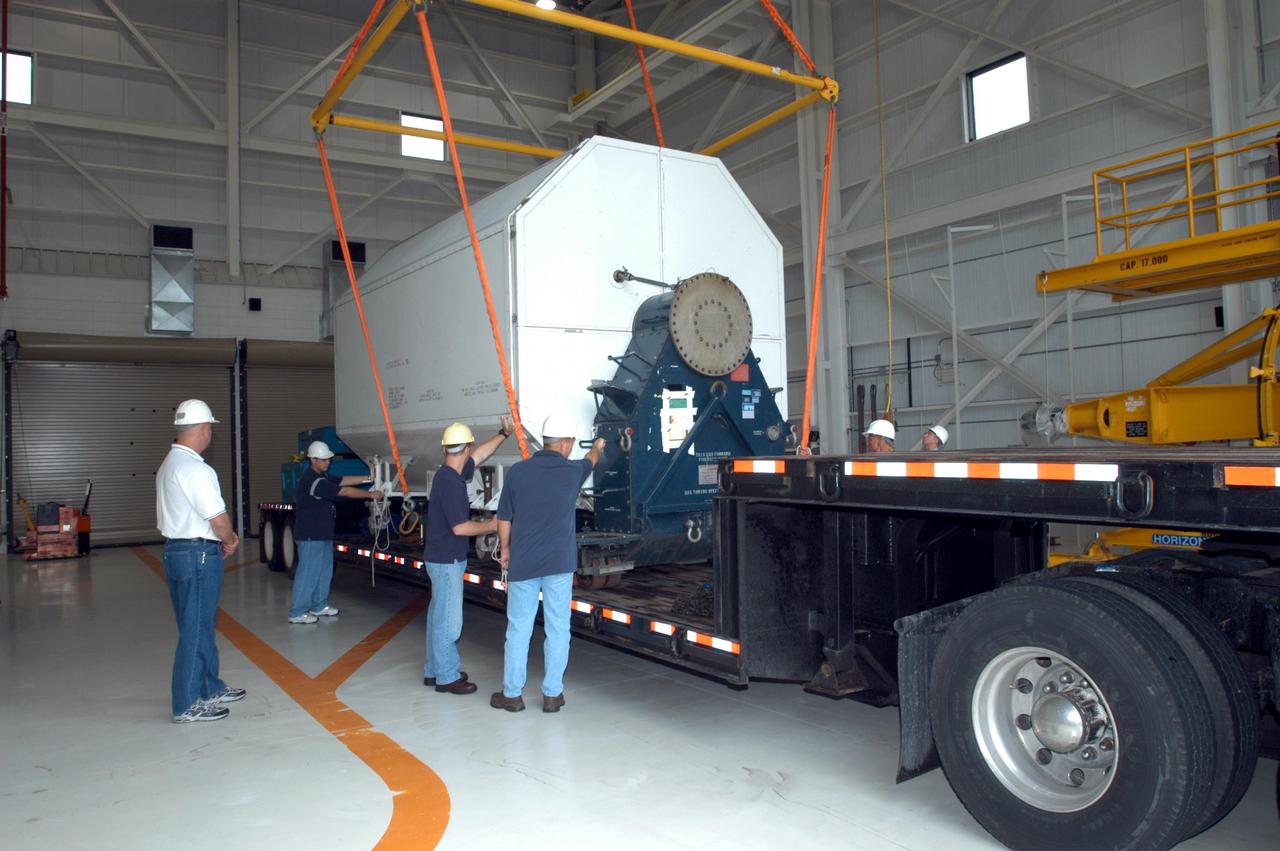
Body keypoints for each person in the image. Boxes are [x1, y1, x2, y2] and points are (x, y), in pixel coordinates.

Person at [490, 414, 605, 714]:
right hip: (559, 564)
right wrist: (600, 444)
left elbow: (504, 518)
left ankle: (512, 695)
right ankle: (553, 694)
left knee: (518, 629)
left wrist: (505, 550)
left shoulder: (518, 472)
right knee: (558, 628)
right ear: (566, 443)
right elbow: (592, 458)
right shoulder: (571, 472)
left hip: (524, 563)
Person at [156, 399, 242, 723]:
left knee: (198, 625)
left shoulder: (170, 464)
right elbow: (218, 519)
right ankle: (187, 703)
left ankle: (209, 687)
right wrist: (230, 539)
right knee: (195, 629)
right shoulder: (195, 469)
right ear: (204, 430)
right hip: (197, 555)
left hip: (178, 551)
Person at [422, 416, 514, 695]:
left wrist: (503, 434)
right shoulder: (450, 482)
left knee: (438, 617)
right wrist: (493, 525)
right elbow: (460, 528)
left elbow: (480, 454)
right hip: (447, 559)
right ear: (464, 448)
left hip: (439, 557)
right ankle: (447, 677)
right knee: (449, 622)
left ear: (445, 449)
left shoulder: (450, 472)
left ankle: (434, 669)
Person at [288, 440, 383, 625]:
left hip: (322, 534)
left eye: (328, 459)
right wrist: (370, 495)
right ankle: (297, 611)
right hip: (310, 536)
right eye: (323, 460)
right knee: (308, 573)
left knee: (324, 571)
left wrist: (369, 477)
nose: (327, 462)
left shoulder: (322, 476)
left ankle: (319, 605)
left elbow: (343, 480)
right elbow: (345, 491)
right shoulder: (313, 481)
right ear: (313, 459)